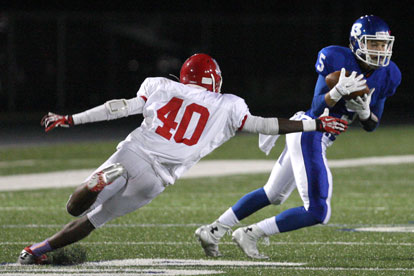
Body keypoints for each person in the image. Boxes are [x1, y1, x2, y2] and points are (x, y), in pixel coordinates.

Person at [17, 53, 350, 264]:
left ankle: (92, 186)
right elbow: (265, 125)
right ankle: (38, 251)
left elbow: (117, 107)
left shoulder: (161, 86)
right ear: (214, 80)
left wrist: (71, 118)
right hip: (158, 178)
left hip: (132, 154)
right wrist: (314, 122)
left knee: (75, 207)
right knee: (94, 221)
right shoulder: (230, 105)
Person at [195, 15, 401, 259]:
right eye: (373, 44)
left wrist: (365, 113)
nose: (380, 50)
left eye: (383, 44)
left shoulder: (390, 74)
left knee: (273, 194)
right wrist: (334, 93)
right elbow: (315, 108)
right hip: (309, 131)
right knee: (318, 211)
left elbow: (372, 125)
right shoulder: (336, 57)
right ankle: (252, 233)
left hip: (316, 137)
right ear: (356, 42)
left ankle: (214, 230)